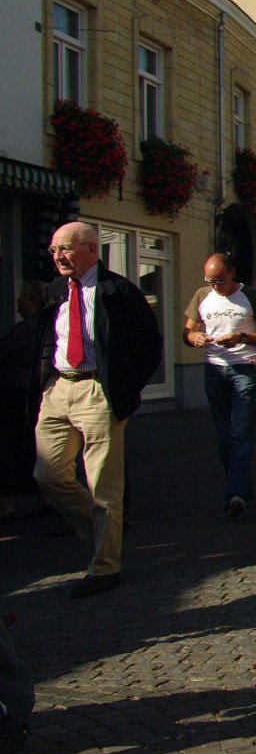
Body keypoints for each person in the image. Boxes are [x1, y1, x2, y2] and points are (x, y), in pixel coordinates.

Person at [31, 221, 163, 598]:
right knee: (47, 473)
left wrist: (122, 388)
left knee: (103, 485)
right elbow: (47, 338)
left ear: (91, 249)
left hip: (97, 391)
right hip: (59, 387)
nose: (57, 256)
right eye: (54, 250)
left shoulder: (118, 290)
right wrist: (44, 382)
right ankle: (103, 532)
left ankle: (106, 566)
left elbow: (148, 346)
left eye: (65, 249)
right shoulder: (55, 291)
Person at [183, 253, 256, 519]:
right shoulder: (202, 296)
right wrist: (195, 337)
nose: (216, 287)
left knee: (239, 434)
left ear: (232, 273)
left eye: (220, 281)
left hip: (244, 369)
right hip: (214, 369)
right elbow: (186, 332)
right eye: (210, 281)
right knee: (224, 438)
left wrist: (242, 337)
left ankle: (234, 494)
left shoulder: (251, 296)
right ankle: (240, 488)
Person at [0, 283, 46, 516]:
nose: (18, 302)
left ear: (32, 302)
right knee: (36, 445)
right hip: (37, 392)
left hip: (15, 393)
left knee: (9, 446)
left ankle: (7, 504)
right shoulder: (47, 327)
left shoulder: (26, 330)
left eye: (22, 298)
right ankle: (43, 497)